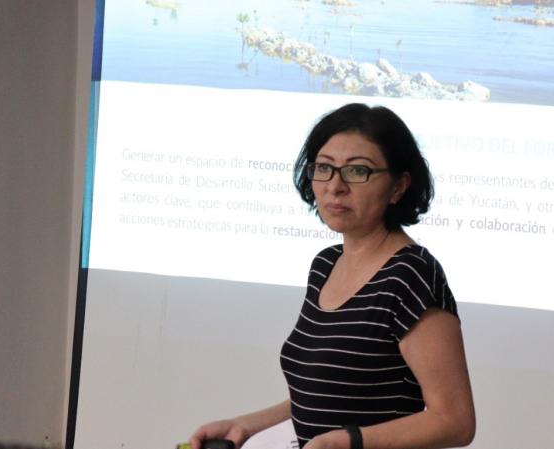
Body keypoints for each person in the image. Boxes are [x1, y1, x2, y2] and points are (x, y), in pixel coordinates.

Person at [190, 103, 475, 449]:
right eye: (324, 168)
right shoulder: (326, 264)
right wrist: (246, 425)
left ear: (398, 186)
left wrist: (346, 442)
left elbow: (454, 421)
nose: (335, 186)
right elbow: (328, 393)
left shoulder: (411, 275)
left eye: (358, 171)